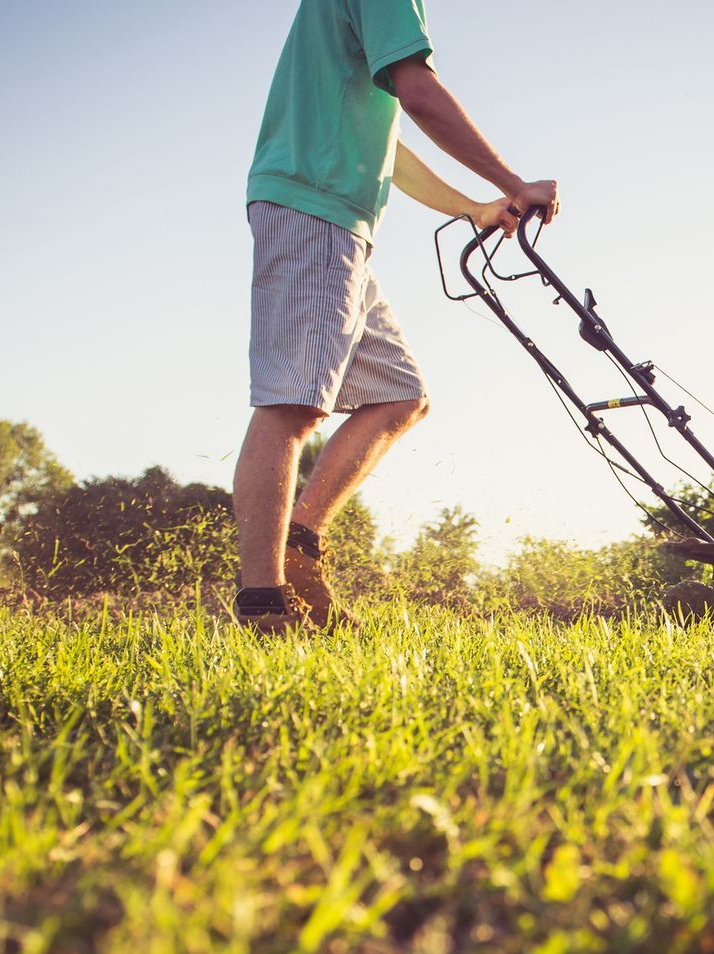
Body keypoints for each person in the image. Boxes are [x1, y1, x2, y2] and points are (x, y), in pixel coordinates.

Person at [233, 0, 558, 631]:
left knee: (400, 395)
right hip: (314, 210)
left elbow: (392, 144)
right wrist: (514, 180)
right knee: (291, 406)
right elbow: (419, 92)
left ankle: (298, 548)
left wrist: (472, 206)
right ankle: (265, 607)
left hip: (341, 224)